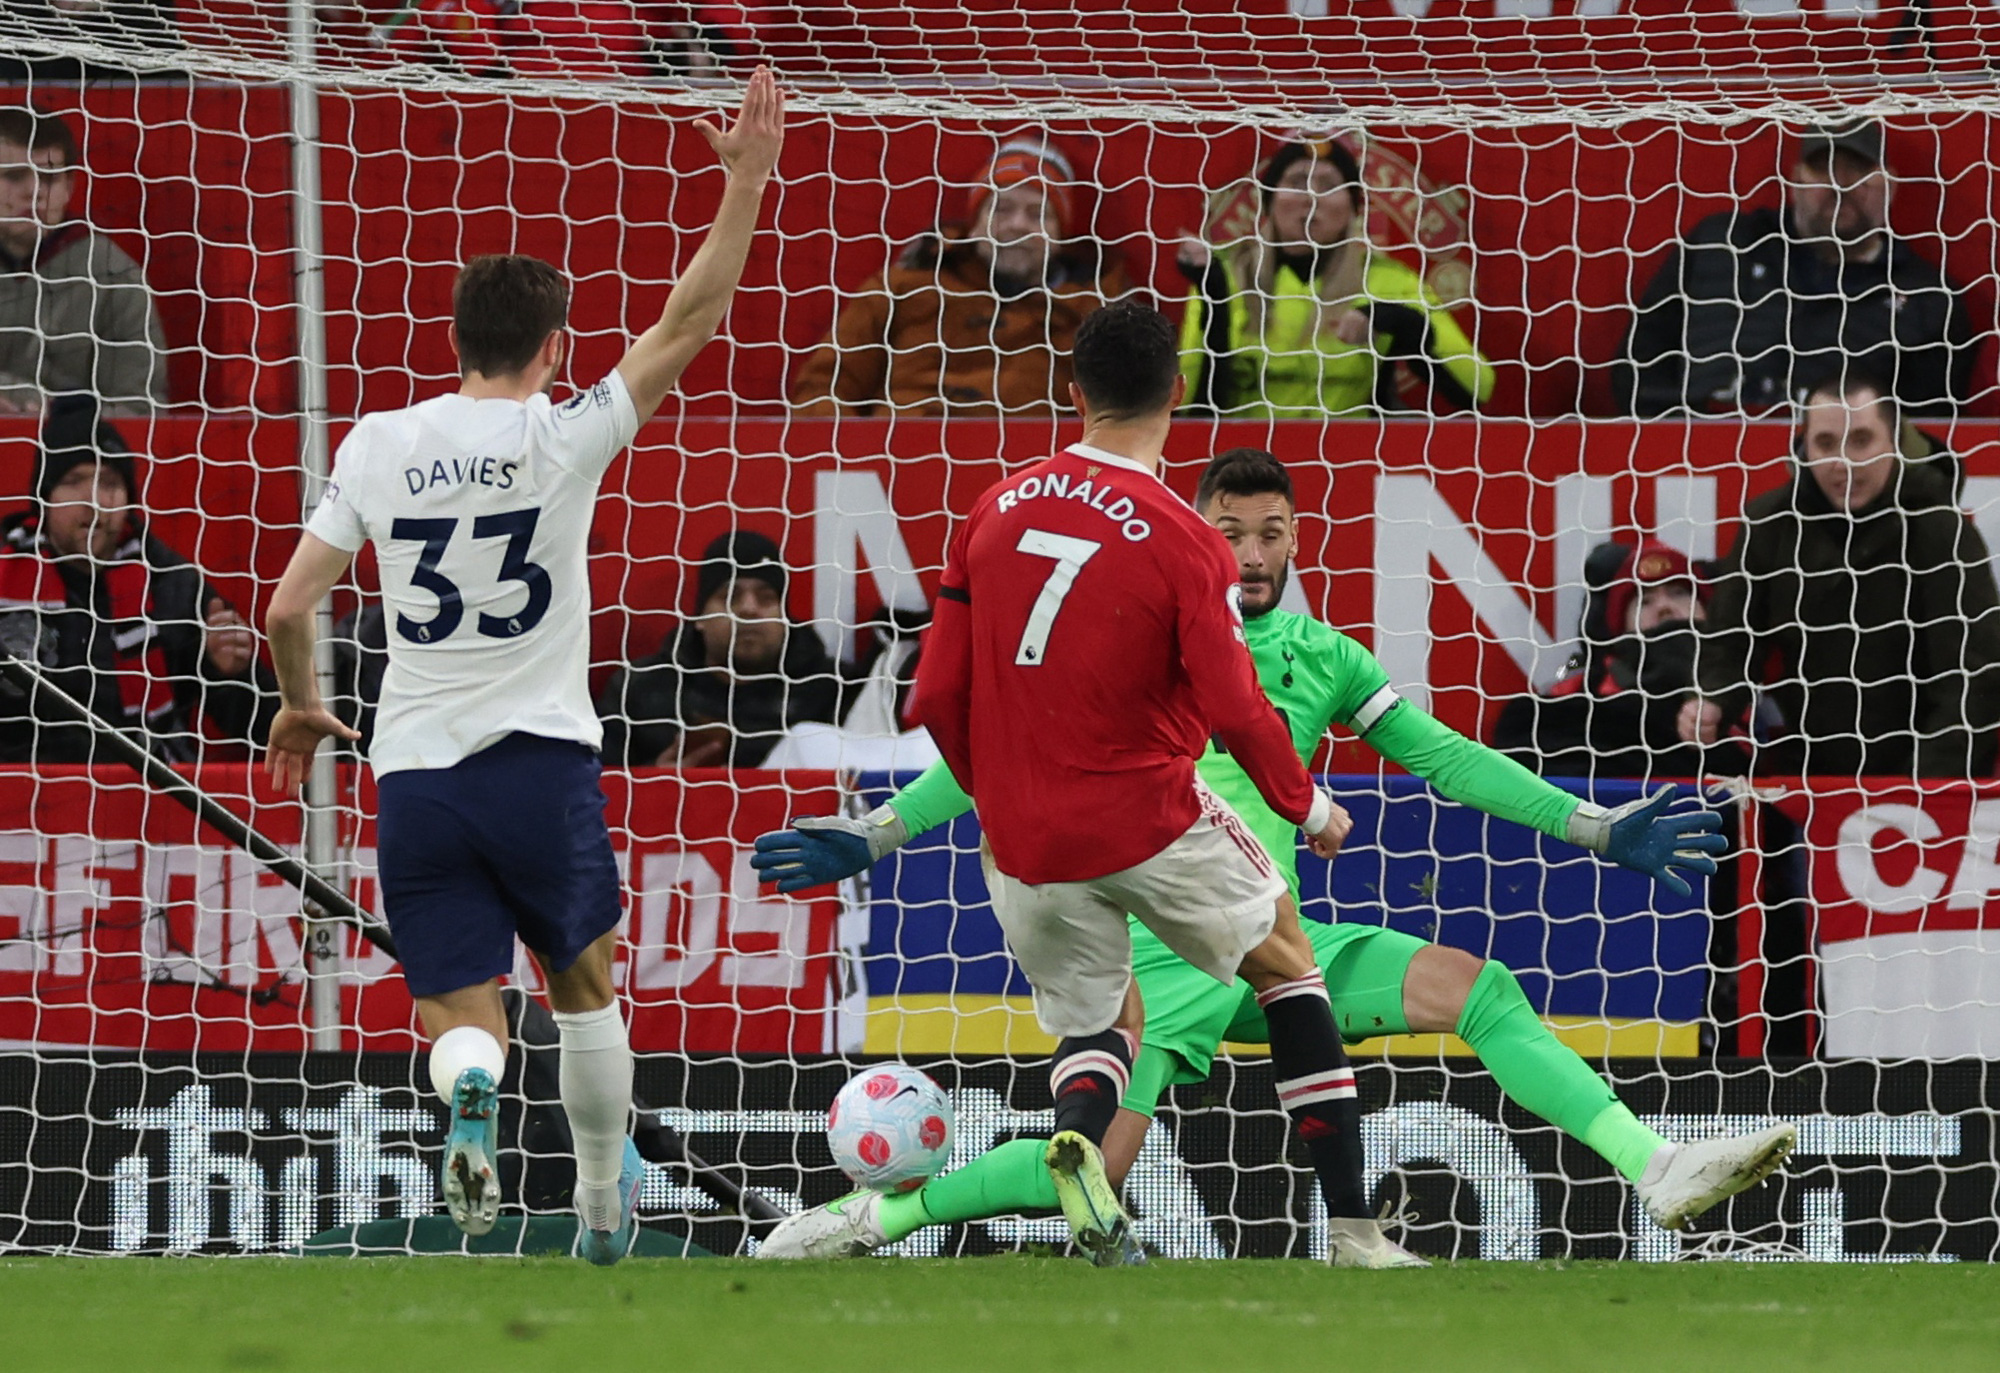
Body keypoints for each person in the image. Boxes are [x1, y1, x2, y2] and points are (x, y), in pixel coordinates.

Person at [754, 447, 1789, 1264]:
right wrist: (881, 829)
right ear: (1194, 535)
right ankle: (873, 1217)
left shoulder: (1320, 656)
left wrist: (1592, 826)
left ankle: (1653, 1166)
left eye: (1270, 533)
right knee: (1080, 1174)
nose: (1250, 553)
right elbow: (994, 755)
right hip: (1162, 962)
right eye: (1229, 532)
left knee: (1484, 990)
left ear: (1295, 540)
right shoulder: (1136, 632)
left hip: (1275, 943)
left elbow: (1442, 755)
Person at [259, 70, 785, 1267]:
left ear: (455, 343)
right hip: (539, 761)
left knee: (457, 1008)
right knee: (583, 981)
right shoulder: (564, 431)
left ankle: (469, 1099)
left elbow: (292, 602)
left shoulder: (381, 442)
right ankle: (603, 1205)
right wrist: (745, 179)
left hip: (417, 777)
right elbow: (688, 323)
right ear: (556, 345)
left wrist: (302, 704)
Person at [876, 300, 1383, 1270]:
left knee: (1101, 1019)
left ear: (1071, 393)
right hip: (1146, 814)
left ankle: (1074, 1139)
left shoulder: (995, 506)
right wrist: (1306, 805)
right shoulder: (1184, 537)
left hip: (1021, 838)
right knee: (1288, 967)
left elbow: (934, 690)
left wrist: (996, 797)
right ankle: (1356, 1229)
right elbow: (1236, 709)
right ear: (1179, 397)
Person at [1678, 369, 2000, 778]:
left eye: (1862, 441)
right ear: (1804, 447)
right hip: (1808, 778)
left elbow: (1973, 680)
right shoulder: (1769, 523)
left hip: (1927, 783)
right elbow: (1729, 642)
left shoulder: (1941, 529)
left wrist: (1918, 791)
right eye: (1826, 443)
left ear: (1895, 442)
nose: (1844, 463)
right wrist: (1709, 700)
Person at [1619, 121, 1974, 419]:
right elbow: (1638, 361)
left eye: (1858, 169)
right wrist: (1671, 436)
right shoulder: (1720, 243)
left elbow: (1930, 424)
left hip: (1845, 476)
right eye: (1824, 167)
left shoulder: (1929, 298)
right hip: (1695, 458)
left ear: (1892, 185)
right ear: (1795, 180)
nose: (1840, 184)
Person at [0, 399, 272, 762]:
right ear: (44, 499)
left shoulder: (174, 585)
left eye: (110, 483)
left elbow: (264, 728)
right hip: (22, 799)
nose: (94, 501)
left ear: (130, 501)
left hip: (151, 796)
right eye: (74, 482)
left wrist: (234, 676)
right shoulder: (5, 575)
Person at [790, 138, 1132, 417]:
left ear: (1060, 232)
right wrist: (859, 460)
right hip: (896, 467)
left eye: (1037, 213)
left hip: (1032, 478)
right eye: (1001, 208)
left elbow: (1126, 415)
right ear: (975, 222)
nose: (1017, 225)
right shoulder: (905, 285)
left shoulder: (1096, 312)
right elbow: (822, 388)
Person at [1175, 136, 1493, 418]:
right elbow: (1187, 406)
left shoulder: (1389, 282)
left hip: (1349, 461)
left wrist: (1399, 320)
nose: (1310, 196)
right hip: (1243, 465)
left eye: (1329, 185)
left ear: (1353, 208)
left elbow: (1478, 387)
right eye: (1297, 181)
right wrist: (1212, 298)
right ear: (1269, 200)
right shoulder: (1228, 275)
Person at [595, 529, 837, 768]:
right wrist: (656, 781)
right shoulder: (639, 688)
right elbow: (596, 783)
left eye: (766, 598)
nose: (749, 610)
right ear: (699, 618)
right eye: (730, 596)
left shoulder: (831, 690)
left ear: (785, 619)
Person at [1492, 538, 1731, 779]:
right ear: (1618, 625)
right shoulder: (1574, 691)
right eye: (1644, 600)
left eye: (1679, 593)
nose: (1665, 607)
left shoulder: (1742, 692)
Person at [0, 106, 168, 414]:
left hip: (73, 457)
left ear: (69, 188)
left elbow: (141, 410)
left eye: (48, 178)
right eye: (13, 176)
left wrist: (49, 411)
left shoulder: (113, 274)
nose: (34, 192)